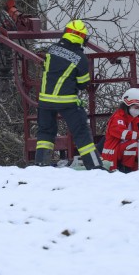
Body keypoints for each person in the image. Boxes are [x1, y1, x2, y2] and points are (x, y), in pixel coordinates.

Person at [34, 20, 105, 170]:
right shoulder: (81, 59)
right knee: (81, 134)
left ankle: (41, 163)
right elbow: (82, 84)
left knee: (45, 133)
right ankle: (94, 166)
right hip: (67, 102)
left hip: (45, 101)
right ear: (82, 38)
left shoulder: (52, 50)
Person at [101, 88, 139, 173]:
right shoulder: (117, 118)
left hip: (121, 152)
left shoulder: (133, 120)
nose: (138, 110)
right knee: (133, 144)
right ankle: (125, 170)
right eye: (136, 107)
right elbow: (122, 133)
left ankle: (135, 170)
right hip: (112, 154)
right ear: (128, 105)